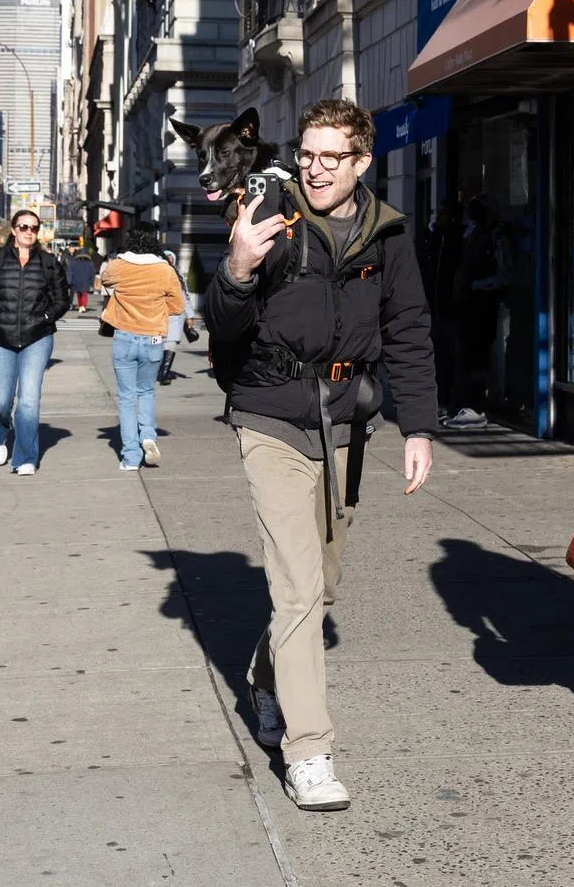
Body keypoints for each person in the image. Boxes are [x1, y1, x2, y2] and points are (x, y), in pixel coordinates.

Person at [205, 97, 437, 811]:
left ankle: (267, 679)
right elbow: (222, 327)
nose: (315, 168)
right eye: (307, 153)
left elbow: (409, 328)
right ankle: (309, 753)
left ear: (362, 161)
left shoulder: (386, 232)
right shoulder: (273, 214)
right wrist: (238, 270)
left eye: (330, 156)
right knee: (299, 591)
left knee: (322, 588)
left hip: (345, 424)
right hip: (270, 413)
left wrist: (420, 427)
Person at [0, 209, 70, 475]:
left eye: (34, 228)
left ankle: (26, 458)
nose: (29, 232)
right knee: (1, 400)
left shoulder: (49, 262)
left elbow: (63, 299)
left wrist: (46, 317)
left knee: (28, 400)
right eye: (24, 227)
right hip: (1, 338)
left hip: (37, 337)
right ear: (14, 229)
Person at [99, 225, 185, 470]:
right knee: (146, 391)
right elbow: (177, 307)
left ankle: (130, 457)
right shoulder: (165, 270)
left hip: (125, 336)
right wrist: (156, 309)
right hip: (154, 338)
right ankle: (148, 435)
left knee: (126, 398)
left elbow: (105, 279)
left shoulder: (119, 265)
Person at [444, 195, 508, 429]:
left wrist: (476, 286)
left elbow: (503, 275)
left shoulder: (491, 238)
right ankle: (464, 406)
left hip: (481, 308)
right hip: (466, 307)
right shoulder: (473, 235)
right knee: (464, 359)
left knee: (474, 359)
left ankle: (475, 408)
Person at [417, 201, 462, 417]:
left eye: (445, 214)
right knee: (436, 358)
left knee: (453, 359)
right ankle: (439, 400)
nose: (440, 218)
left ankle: (451, 401)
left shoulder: (458, 240)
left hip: (452, 311)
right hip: (433, 309)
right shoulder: (432, 239)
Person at [159, 249, 197, 385]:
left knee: (171, 343)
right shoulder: (158, 273)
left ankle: (163, 373)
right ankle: (159, 370)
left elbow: (184, 296)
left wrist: (190, 316)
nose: (170, 260)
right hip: (160, 315)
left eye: (171, 258)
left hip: (175, 316)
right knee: (159, 344)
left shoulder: (178, 275)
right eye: (167, 258)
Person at [65, 249, 96, 314]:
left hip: (76, 281)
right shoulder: (90, 263)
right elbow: (92, 274)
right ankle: (83, 306)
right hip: (86, 281)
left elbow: (70, 273)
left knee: (79, 294)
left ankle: (81, 306)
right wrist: (93, 283)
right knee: (84, 294)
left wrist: (69, 281)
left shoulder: (73, 263)